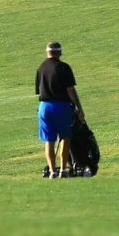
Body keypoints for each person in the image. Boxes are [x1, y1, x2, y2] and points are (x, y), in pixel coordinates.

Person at [35, 41, 82, 178]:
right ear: (59, 53)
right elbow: (70, 90)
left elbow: (39, 91)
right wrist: (79, 107)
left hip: (44, 107)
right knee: (65, 138)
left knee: (49, 140)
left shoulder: (41, 68)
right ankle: (62, 169)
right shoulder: (64, 67)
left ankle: (52, 171)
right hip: (61, 106)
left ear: (47, 52)